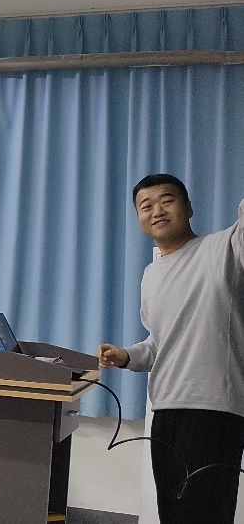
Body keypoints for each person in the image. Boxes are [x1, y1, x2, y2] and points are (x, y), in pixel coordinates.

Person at [97, 174, 244, 524]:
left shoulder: (225, 248)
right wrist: (127, 356)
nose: (157, 211)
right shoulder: (151, 274)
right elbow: (159, 342)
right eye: (145, 206)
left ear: (189, 207)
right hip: (164, 410)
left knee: (204, 515)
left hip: (213, 410)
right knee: (172, 514)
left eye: (168, 200)